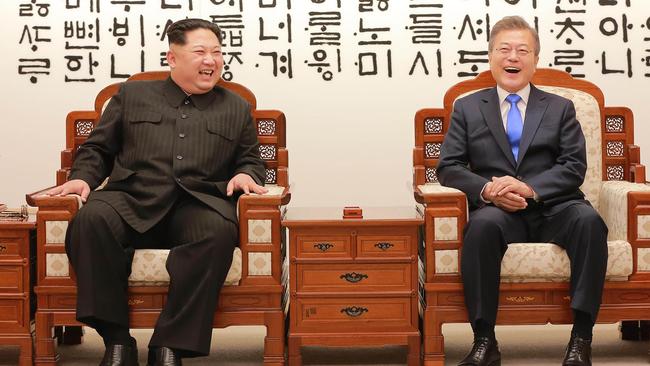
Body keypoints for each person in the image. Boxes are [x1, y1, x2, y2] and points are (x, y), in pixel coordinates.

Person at [47, 18, 267, 366]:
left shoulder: (235, 107)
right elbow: (98, 149)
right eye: (200, 52)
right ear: (172, 58)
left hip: (197, 204)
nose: (211, 60)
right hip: (132, 198)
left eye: (218, 53)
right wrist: (83, 179)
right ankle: (117, 341)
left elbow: (253, 161)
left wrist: (244, 174)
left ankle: (169, 345)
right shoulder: (132, 95)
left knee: (218, 233)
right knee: (91, 221)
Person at [437, 16, 607, 366]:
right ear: (490, 56)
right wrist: (488, 190)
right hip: (499, 212)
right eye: (504, 49)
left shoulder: (560, 107)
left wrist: (529, 188)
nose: (513, 57)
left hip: (554, 207)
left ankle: (581, 338)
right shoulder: (468, 108)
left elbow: (574, 167)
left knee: (589, 221)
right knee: (481, 228)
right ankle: (484, 340)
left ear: (535, 60)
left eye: (522, 50)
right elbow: (448, 167)